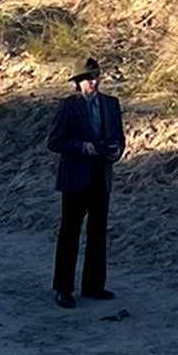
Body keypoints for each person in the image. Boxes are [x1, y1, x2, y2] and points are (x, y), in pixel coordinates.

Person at [46, 57, 126, 309]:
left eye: (95, 77)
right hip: (75, 176)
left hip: (101, 174)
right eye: (87, 78)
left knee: (98, 232)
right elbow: (55, 142)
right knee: (69, 233)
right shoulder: (69, 106)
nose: (92, 82)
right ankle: (63, 288)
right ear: (78, 82)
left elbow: (119, 137)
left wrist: (116, 151)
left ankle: (93, 285)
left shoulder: (111, 104)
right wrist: (83, 147)